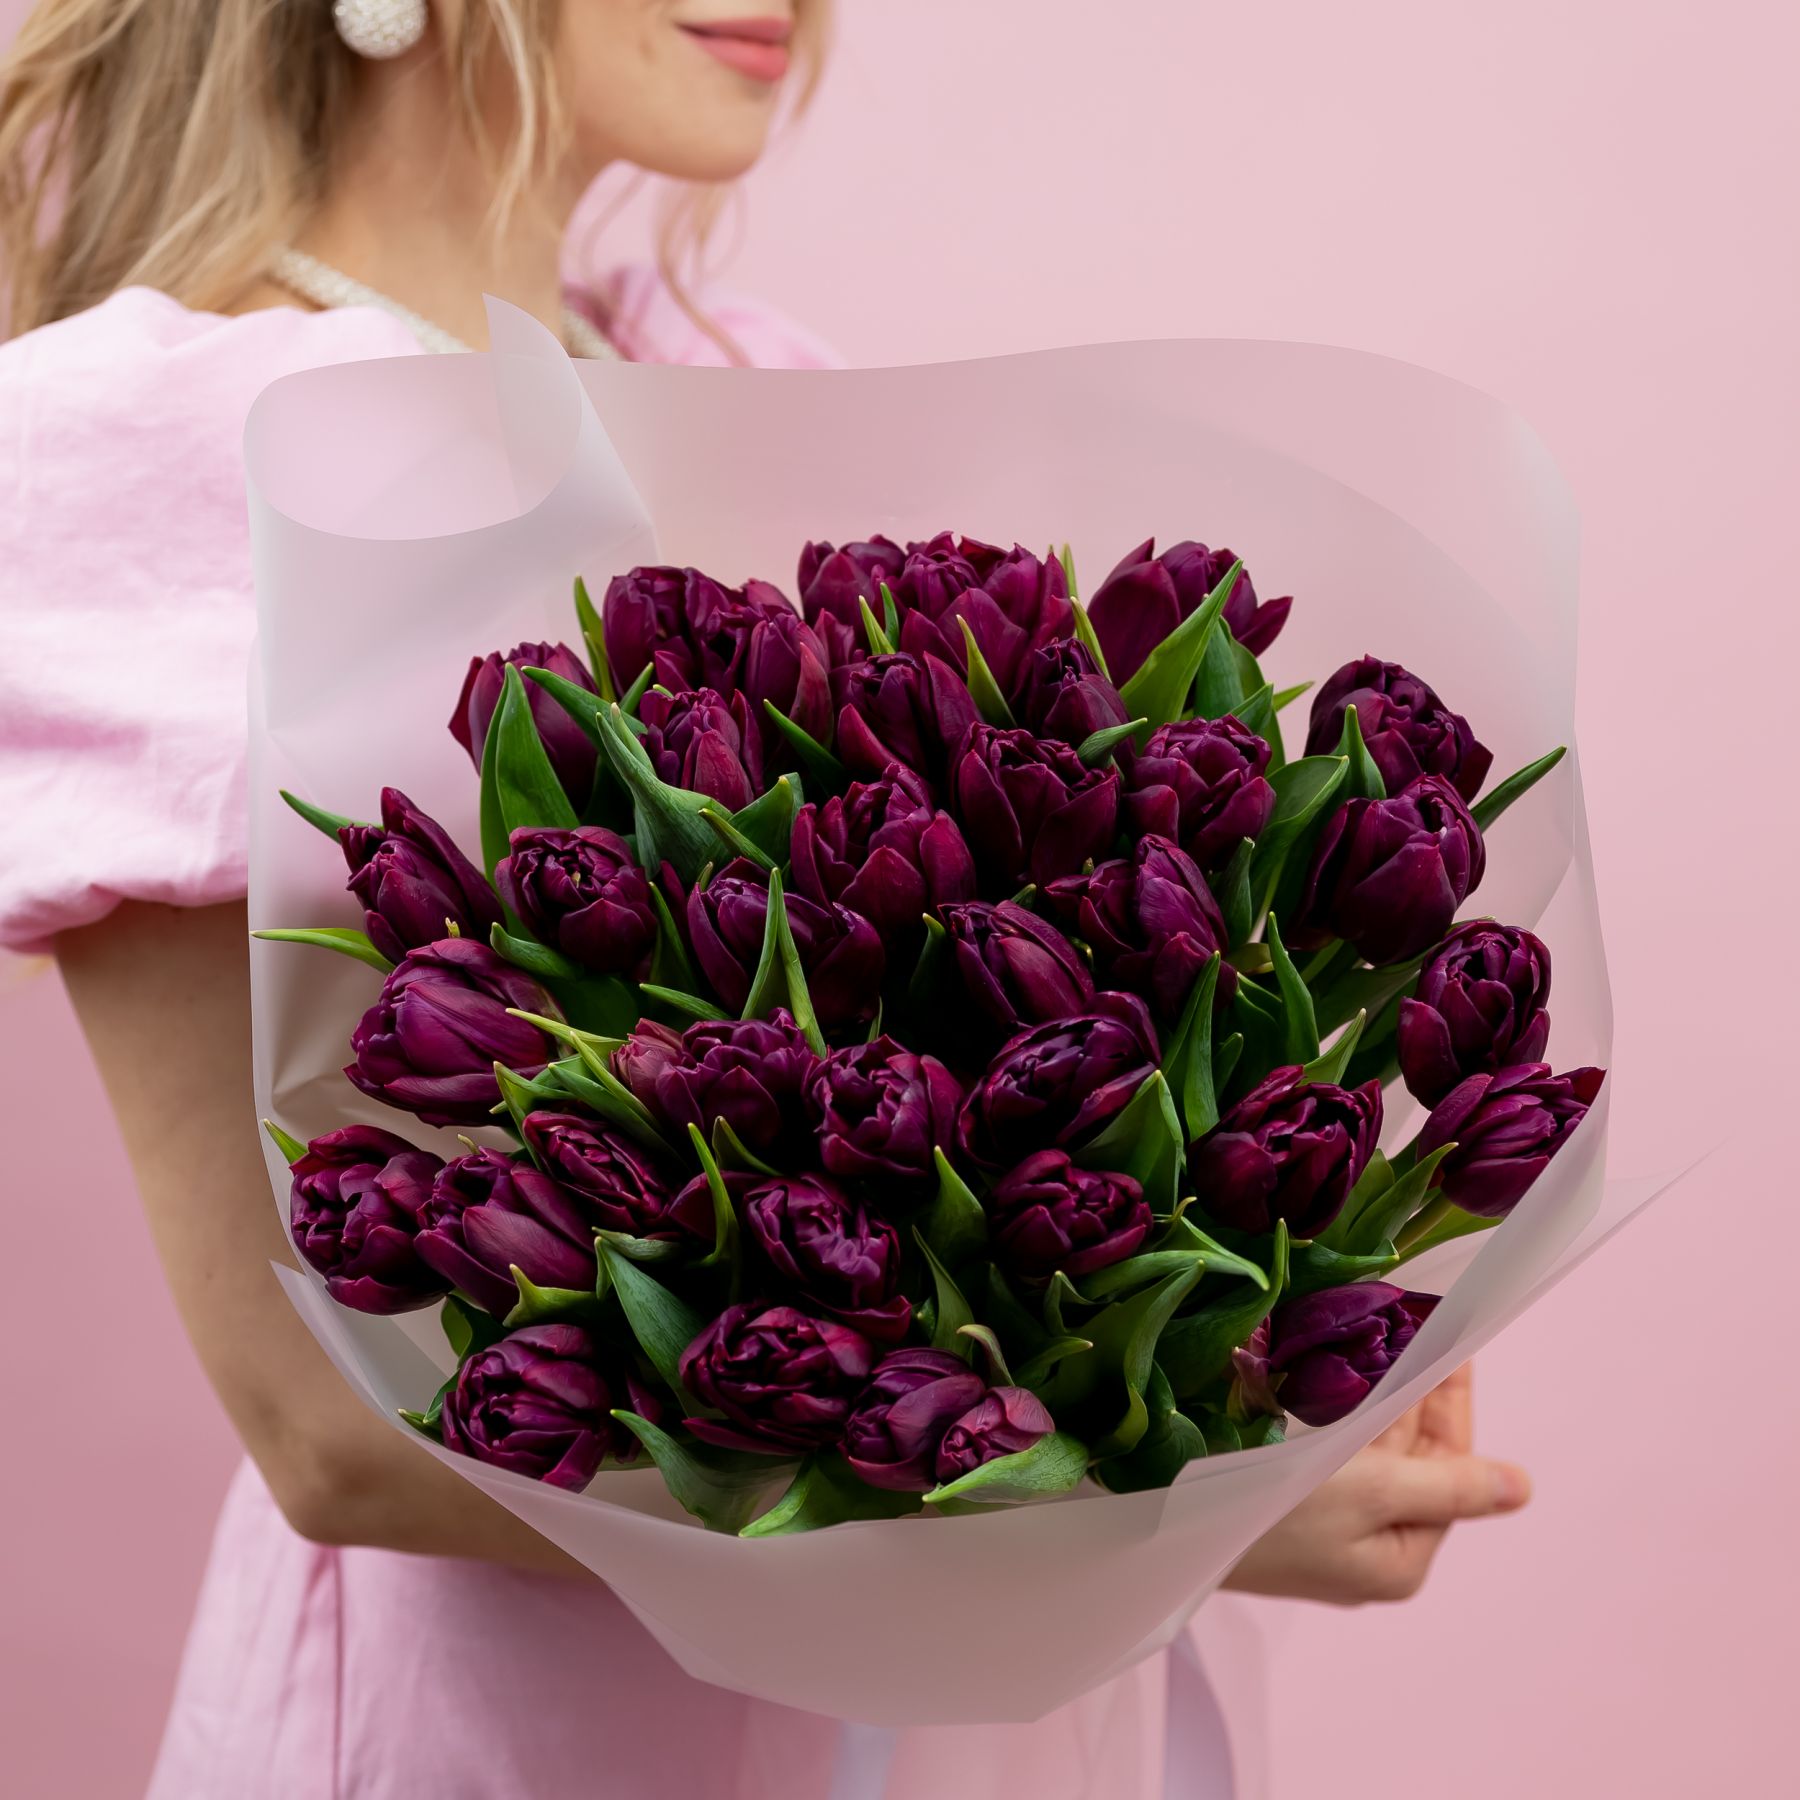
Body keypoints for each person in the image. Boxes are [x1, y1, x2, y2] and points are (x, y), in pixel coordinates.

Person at [0, 4, 1533, 1795]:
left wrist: (1240, 1354)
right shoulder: (175, 438)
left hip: (977, 1726)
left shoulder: (736, 368)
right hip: (524, 1739)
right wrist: (1168, 1511)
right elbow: (320, 1434)